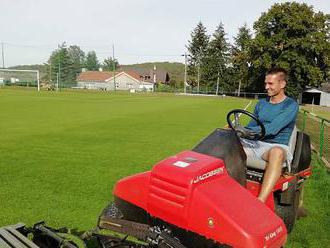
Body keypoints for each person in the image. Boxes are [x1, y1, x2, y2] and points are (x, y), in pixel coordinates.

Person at [242, 67, 299, 203]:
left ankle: (260, 201)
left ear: (282, 84)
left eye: (270, 84)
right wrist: (238, 131)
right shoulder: (261, 103)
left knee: (277, 153)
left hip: (274, 146)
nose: (266, 87)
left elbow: (273, 128)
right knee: (225, 141)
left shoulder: (290, 105)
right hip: (255, 144)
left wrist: (246, 131)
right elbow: (251, 126)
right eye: (266, 83)